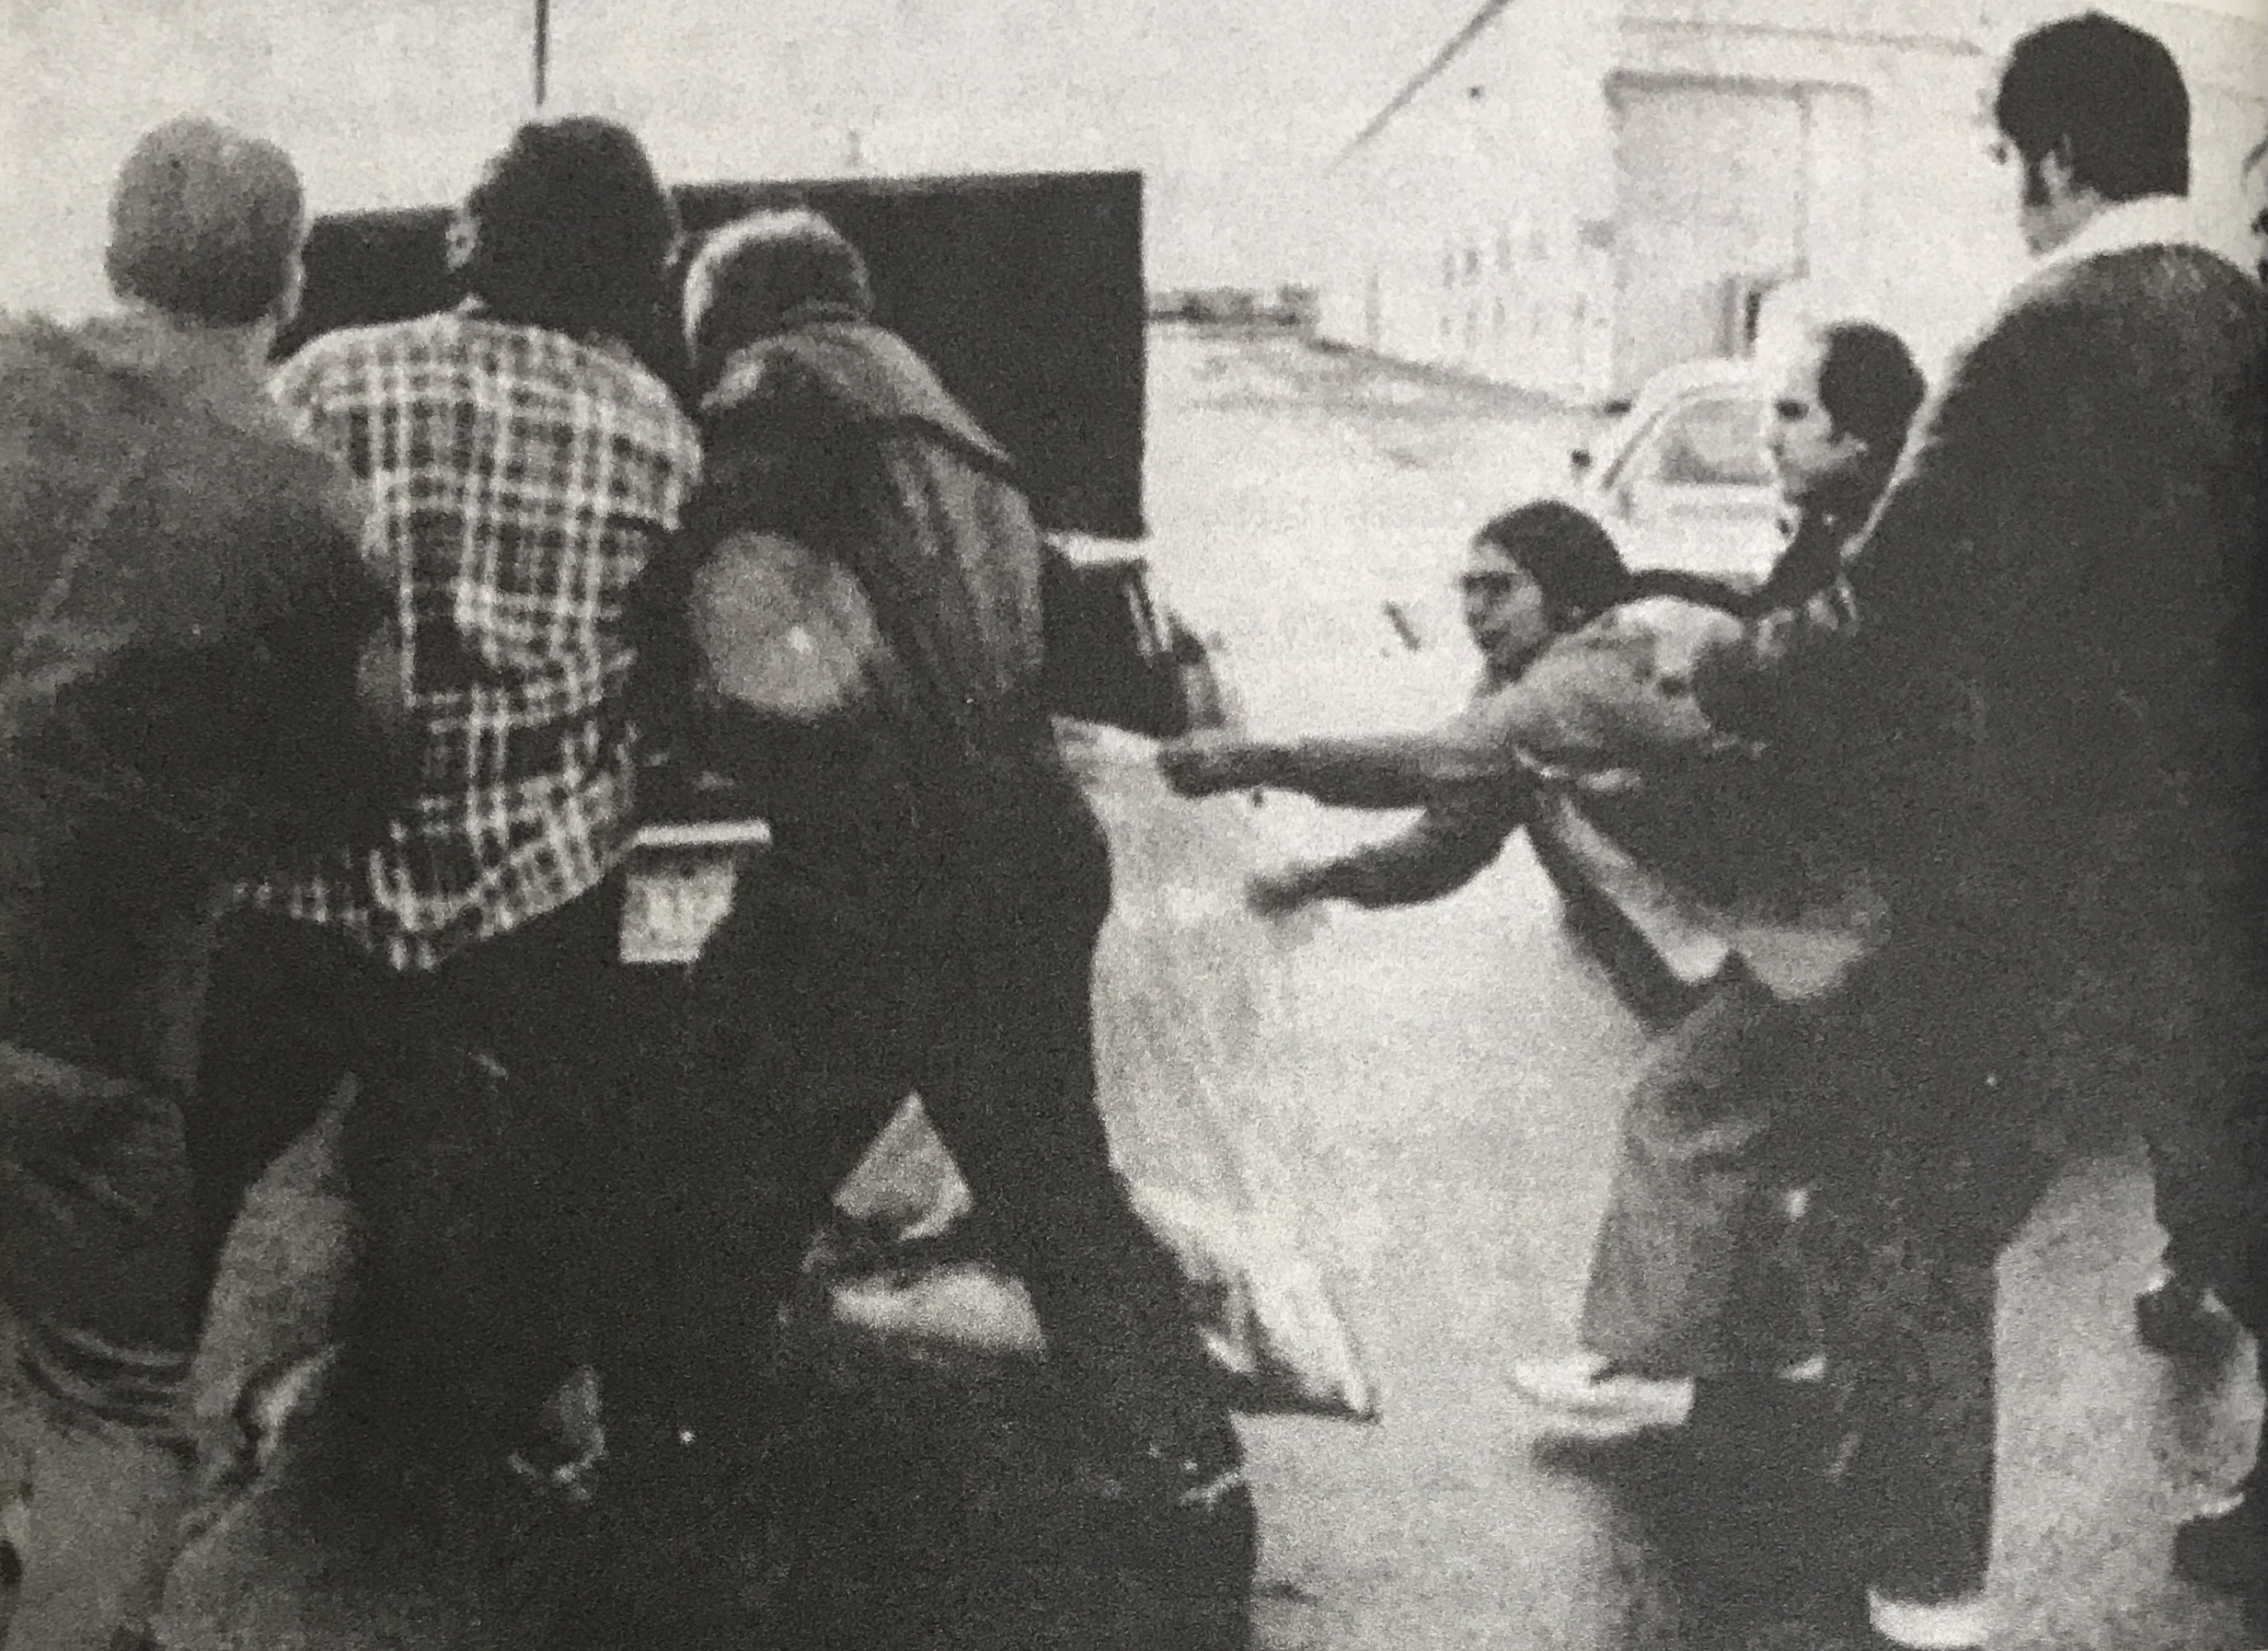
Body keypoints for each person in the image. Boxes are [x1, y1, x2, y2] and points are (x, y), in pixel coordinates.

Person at [586, 207, 1249, 1645]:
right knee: (1053, 1179)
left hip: (881, 860)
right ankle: (1195, 1477)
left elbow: (736, 588)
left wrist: (666, 683)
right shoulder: (958, 431)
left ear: (735, 316)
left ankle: (674, 1502)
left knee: (703, 1163)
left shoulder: (779, 392)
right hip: (1015, 842)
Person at [1683, 16, 2263, 1645]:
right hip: (2236, 882)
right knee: (2234, 1194)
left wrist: (1732, 661)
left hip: (2056, 879)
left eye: (2015, 162)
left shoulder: (2046, 332)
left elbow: (1892, 615)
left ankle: (1926, 1588)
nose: (2016, 195)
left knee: (1905, 1207)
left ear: (2060, 158)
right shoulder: (2246, 319)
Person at [187, 117, 700, 1486]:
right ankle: (497, 1403)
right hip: (524, 892)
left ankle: (107, 1427)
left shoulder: (328, 376)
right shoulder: (656, 431)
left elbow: (237, 602)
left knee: (193, 1166)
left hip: (308, 881)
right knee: (531, 1152)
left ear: (471, 237)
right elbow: (667, 664)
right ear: (638, 270)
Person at [0, 118, 397, 1651]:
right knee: (111, 1397)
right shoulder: (308, 504)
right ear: (288, 283)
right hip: (91, 1010)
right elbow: (353, 792)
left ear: (110, 247)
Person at [1505, 321, 1928, 1431]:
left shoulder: (1871, 555)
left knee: (1682, 1103)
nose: (1767, 435)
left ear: (1859, 433)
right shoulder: (1857, 534)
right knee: (1752, 1125)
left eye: (1792, 413)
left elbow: (1817, 707)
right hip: (1848, 913)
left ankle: (1649, 1363)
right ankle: (1772, 1347)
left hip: (1851, 917)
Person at [1157, 501, 1629, 915]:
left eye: (1499, 588)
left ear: (1568, 597)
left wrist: (1260, 763)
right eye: (1468, 588)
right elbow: (1455, 842)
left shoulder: (1598, 668)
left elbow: (1425, 765)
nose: (1474, 609)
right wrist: (1323, 881)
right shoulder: (1511, 682)